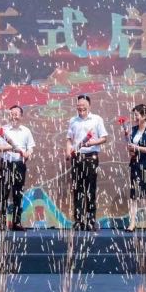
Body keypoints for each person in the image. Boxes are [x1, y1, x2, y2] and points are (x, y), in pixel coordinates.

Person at [64, 94, 108, 231]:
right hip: (77, 157)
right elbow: (69, 139)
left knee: (90, 189)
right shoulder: (73, 120)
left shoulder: (97, 119)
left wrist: (91, 143)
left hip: (90, 157)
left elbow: (104, 138)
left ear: (89, 106)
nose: (81, 107)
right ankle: (78, 221)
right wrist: (68, 151)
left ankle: (90, 221)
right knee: (77, 189)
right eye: (79, 105)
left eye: (83, 105)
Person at [0, 105, 35, 231]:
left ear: (21, 116)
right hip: (6, 164)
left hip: (19, 165)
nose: (14, 116)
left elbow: (31, 147)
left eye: (16, 114)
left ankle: (16, 222)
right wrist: (11, 148)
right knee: (3, 193)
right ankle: (2, 223)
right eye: (12, 114)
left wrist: (28, 154)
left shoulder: (26, 131)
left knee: (18, 194)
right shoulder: (2, 130)